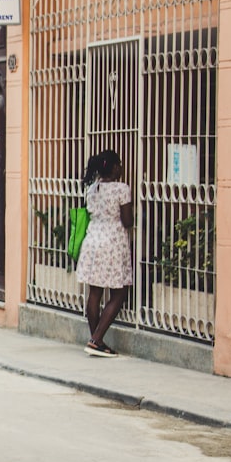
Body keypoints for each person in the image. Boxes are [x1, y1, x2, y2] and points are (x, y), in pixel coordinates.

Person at [76, 149, 134, 357]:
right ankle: (97, 339)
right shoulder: (122, 189)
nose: (121, 168)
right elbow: (127, 221)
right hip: (112, 242)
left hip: (92, 241)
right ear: (115, 167)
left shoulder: (91, 189)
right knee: (119, 291)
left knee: (95, 292)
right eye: (119, 164)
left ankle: (96, 341)